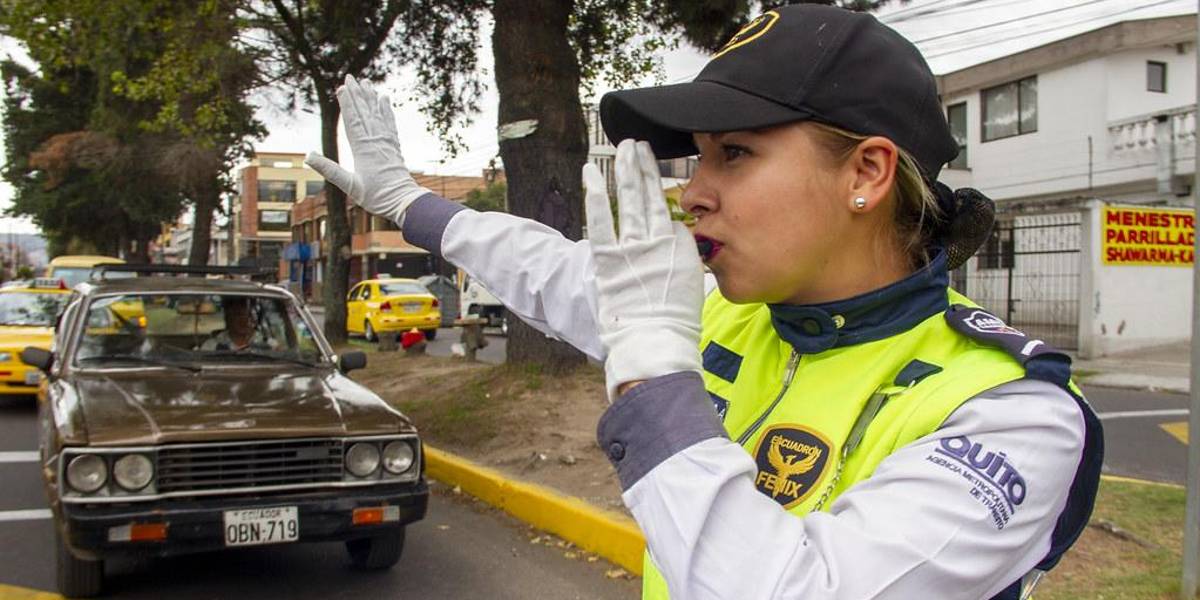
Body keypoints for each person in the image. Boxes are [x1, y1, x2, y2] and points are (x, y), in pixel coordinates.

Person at [305, 5, 1102, 599]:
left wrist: (655, 381)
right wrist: (407, 201)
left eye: (735, 153)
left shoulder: (1009, 414)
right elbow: (545, 268)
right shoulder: (724, 313)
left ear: (866, 172)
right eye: (698, 158)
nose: (694, 193)